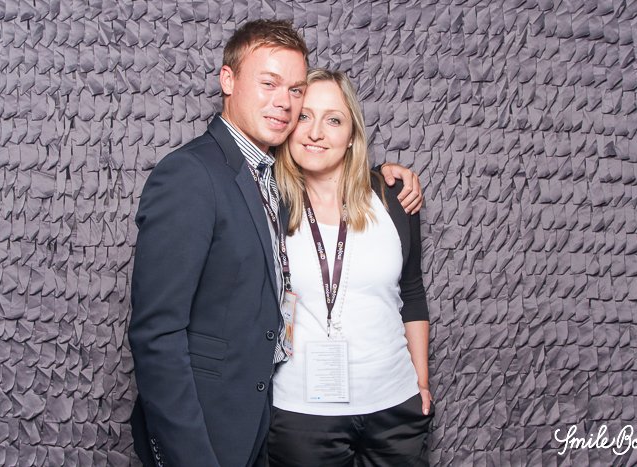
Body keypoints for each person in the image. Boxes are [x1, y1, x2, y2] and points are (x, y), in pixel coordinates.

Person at [128, 20, 423, 467]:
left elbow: (332, 172)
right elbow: (156, 335)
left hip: (259, 423)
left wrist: (383, 174)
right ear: (228, 80)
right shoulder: (189, 174)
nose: (284, 102)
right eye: (268, 83)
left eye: (295, 90)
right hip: (210, 432)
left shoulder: (267, 176)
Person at [268, 69, 431, 467]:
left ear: (353, 135)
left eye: (333, 120)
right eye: (304, 116)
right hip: (301, 413)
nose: (315, 132)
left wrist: (421, 383)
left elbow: (412, 293)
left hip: (395, 407)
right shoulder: (267, 203)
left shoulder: (393, 197)